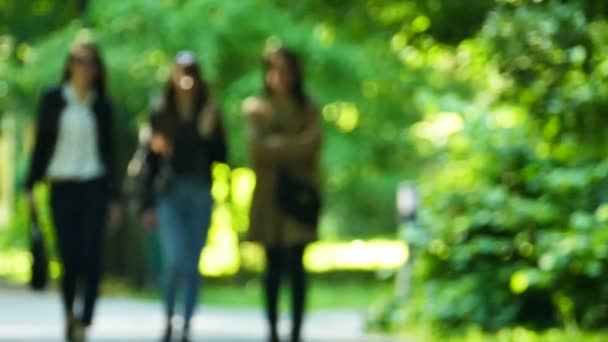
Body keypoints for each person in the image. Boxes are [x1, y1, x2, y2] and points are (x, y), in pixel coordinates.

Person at [25, 42, 121, 342]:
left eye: (90, 63)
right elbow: (41, 146)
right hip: (62, 184)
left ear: (96, 70)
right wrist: (30, 185)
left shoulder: (102, 105)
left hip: (93, 185)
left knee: (91, 254)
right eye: (79, 62)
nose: (84, 68)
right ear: (69, 65)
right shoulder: (53, 99)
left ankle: (86, 315)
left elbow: (110, 153)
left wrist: (115, 197)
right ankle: (69, 315)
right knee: (68, 256)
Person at [140, 51, 227, 342]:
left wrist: (208, 132)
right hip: (170, 192)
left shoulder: (209, 112)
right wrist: (147, 204)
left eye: (192, 72)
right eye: (181, 72)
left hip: (200, 191)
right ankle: (168, 318)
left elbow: (221, 157)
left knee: (191, 262)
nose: (186, 79)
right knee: (174, 259)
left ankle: (187, 323)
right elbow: (150, 162)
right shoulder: (161, 112)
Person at [242, 46, 322, 342]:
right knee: (272, 265)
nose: (280, 77)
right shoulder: (256, 107)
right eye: (274, 70)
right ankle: (273, 331)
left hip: (300, 197)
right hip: (269, 198)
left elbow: (312, 145)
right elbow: (257, 150)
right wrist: (293, 145)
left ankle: (297, 331)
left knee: (298, 265)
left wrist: (277, 145)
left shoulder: (308, 107)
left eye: (286, 70)